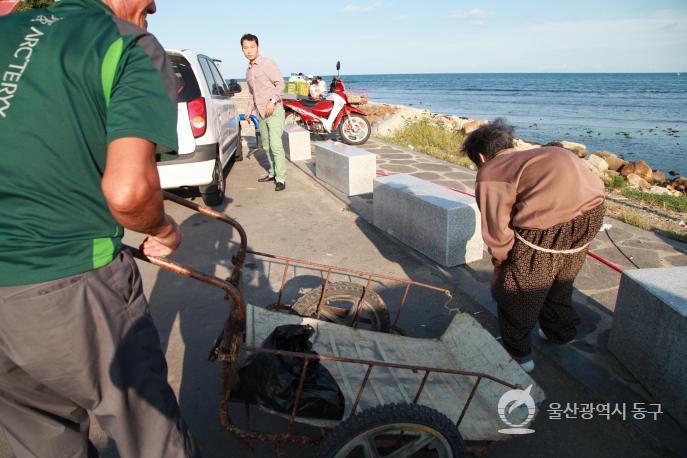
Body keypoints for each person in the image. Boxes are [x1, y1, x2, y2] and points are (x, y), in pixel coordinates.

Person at [0, 1, 199, 457]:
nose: (149, 18)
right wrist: (163, 228)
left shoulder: (9, 32)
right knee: (153, 438)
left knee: (43, 445)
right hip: (69, 282)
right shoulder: (126, 43)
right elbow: (129, 192)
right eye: (149, 10)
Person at [462, 119, 605, 373]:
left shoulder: (491, 170)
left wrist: (503, 261)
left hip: (547, 227)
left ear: (482, 156)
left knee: (518, 289)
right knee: (561, 278)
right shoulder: (548, 152)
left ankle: (520, 356)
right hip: (592, 216)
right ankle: (560, 333)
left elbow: (497, 229)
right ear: (509, 144)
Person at [241, 33, 287, 191]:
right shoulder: (248, 71)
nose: (249, 50)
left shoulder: (267, 63)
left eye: (252, 47)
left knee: (275, 145)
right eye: (246, 48)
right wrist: (248, 112)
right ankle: (273, 173)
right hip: (261, 113)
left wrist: (272, 101)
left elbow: (280, 84)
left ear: (258, 47)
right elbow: (252, 94)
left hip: (274, 110)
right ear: (242, 50)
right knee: (266, 146)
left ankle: (281, 178)